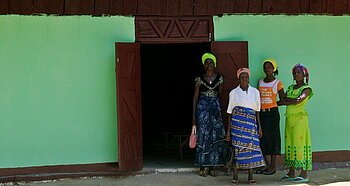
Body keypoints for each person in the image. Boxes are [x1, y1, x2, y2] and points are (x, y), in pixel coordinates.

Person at [226, 68, 265, 185]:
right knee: (238, 149)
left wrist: (259, 127)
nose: (244, 79)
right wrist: (228, 131)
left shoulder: (255, 92)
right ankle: (235, 176)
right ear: (239, 78)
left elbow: (257, 111)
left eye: (246, 77)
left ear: (249, 78)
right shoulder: (233, 93)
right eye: (242, 77)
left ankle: (250, 176)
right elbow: (229, 112)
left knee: (251, 149)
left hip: (251, 125)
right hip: (237, 126)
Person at [277, 63, 313, 183]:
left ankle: (304, 173)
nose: (296, 74)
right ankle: (291, 172)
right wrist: (279, 102)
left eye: (298, 72)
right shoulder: (291, 88)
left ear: (304, 75)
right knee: (290, 144)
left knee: (300, 144)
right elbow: (283, 99)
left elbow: (298, 100)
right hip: (290, 119)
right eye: (294, 73)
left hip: (300, 120)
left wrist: (287, 101)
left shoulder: (306, 89)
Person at [192, 53, 226, 177]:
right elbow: (195, 97)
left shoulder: (220, 78)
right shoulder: (199, 78)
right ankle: (202, 166)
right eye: (206, 63)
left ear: (214, 64)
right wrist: (194, 118)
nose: (208, 65)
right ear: (204, 65)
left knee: (214, 136)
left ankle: (212, 167)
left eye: (210, 62)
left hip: (215, 110)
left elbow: (220, 96)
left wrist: (221, 112)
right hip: (202, 109)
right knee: (202, 135)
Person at [256, 59, 284, 175]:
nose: (267, 69)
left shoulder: (277, 83)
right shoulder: (260, 82)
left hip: (272, 114)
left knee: (273, 138)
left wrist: (273, 104)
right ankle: (265, 164)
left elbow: (282, 99)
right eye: (265, 67)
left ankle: (272, 166)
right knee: (262, 138)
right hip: (262, 113)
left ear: (274, 69)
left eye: (269, 67)